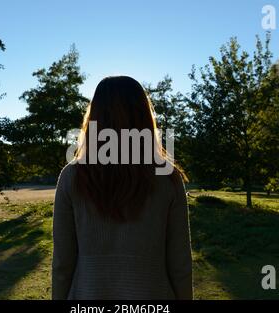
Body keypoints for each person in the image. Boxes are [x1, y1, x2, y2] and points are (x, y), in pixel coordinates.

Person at [52, 76, 192, 300]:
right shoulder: (168, 178)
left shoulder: (71, 177)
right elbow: (180, 265)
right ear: (145, 118)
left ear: (94, 119)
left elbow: (62, 265)